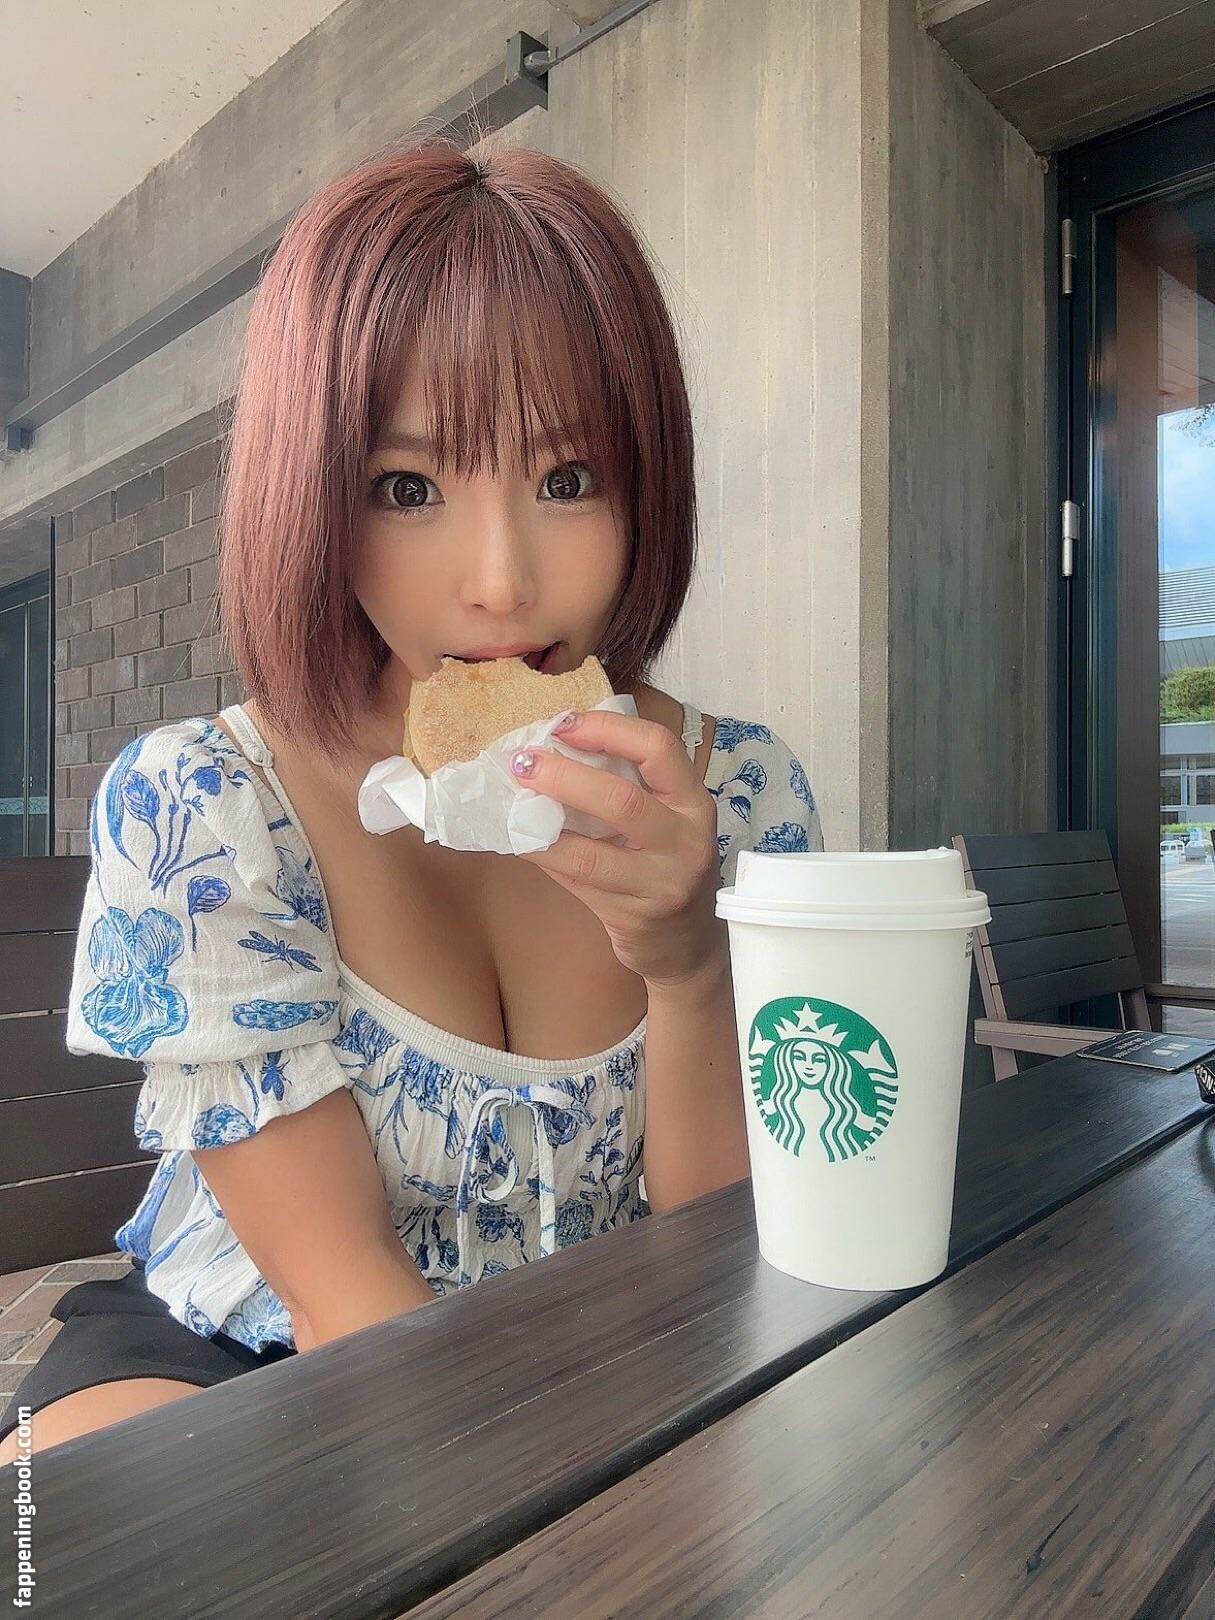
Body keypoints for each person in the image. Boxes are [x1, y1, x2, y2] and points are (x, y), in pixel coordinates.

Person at [0, 140, 822, 1464]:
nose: (499, 582)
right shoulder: (209, 807)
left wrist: (687, 967)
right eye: (408, 488)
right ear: (314, 499)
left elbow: (720, 1259)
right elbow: (340, 1297)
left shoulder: (740, 794)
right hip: (253, 1354)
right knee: (74, 1539)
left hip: (618, 1353)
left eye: (567, 479)